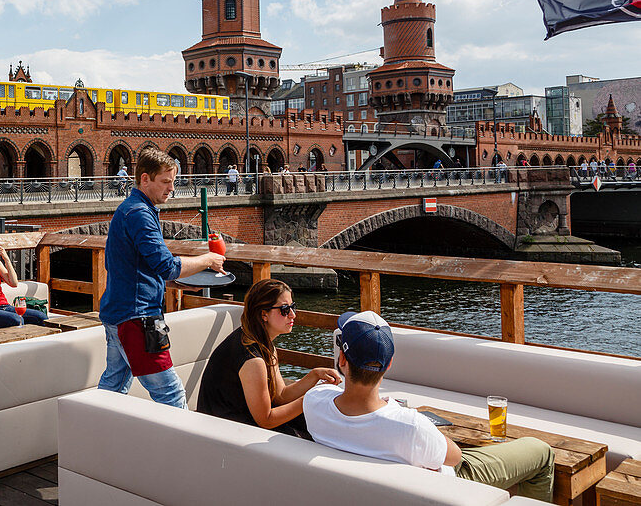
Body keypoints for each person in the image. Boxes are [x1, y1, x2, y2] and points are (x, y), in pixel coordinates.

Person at [303, 311, 554, 502]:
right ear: (389, 365)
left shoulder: (314, 401)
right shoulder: (410, 425)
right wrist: (414, 420)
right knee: (541, 452)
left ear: (342, 359)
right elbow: (455, 457)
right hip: (448, 482)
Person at [98, 148, 225, 408]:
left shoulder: (130, 209)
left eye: (173, 181)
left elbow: (134, 267)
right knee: (171, 395)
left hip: (117, 313)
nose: (172, 189)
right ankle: (183, 448)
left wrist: (174, 278)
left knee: (112, 388)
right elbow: (166, 266)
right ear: (145, 179)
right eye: (165, 182)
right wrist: (208, 260)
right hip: (137, 318)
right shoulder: (141, 214)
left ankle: (89, 440)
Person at [197, 278, 340, 436]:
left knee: (315, 423)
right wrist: (309, 400)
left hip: (240, 421)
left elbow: (281, 396)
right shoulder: (252, 359)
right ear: (263, 314)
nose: (293, 314)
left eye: (293, 307)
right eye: (285, 309)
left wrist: (314, 375)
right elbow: (266, 420)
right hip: (223, 431)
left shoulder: (262, 342)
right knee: (313, 432)